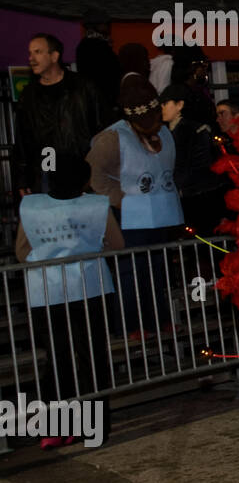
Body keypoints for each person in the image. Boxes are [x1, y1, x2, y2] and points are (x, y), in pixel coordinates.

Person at [16, 158, 121, 446]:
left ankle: (56, 428)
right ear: (83, 181)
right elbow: (117, 243)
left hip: (47, 291)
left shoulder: (33, 207)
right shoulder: (96, 205)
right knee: (92, 357)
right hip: (90, 287)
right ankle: (94, 427)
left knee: (56, 359)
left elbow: (21, 251)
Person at [87, 76, 183, 340]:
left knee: (157, 267)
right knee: (130, 271)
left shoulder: (164, 132)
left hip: (160, 213)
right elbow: (94, 176)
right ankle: (130, 325)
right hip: (127, 215)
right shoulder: (111, 138)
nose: (152, 128)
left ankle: (159, 318)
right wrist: (120, 199)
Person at [15, 34, 102, 196]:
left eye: (38, 52)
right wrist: (23, 179)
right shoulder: (28, 96)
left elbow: (100, 128)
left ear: (54, 56)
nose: (31, 58)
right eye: (30, 53)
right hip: (46, 175)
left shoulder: (84, 87)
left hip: (81, 171)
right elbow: (22, 139)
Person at [161, 84, 228, 234]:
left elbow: (199, 164)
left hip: (199, 199)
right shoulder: (165, 133)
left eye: (165, 103)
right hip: (183, 198)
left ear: (180, 105)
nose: (162, 108)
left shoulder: (195, 131)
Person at [75, 7, 121, 122]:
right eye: (106, 24)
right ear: (97, 25)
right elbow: (110, 75)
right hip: (102, 104)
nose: (109, 27)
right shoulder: (99, 46)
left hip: (92, 102)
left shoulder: (84, 45)